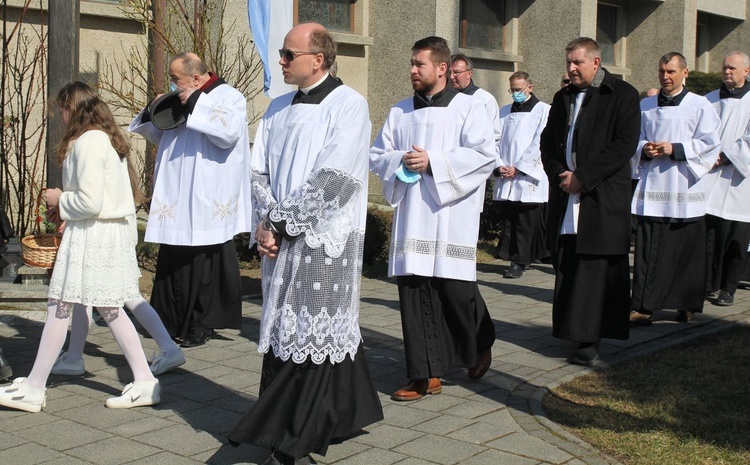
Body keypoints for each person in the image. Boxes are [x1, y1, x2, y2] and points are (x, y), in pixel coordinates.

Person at [227, 23, 383, 465]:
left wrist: (280, 222)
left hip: (323, 241)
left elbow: (336, 179)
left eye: (288, 54)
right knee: (282, 336)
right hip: (281, 238)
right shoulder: (276, 108)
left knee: (311, 336)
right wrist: (267, 221)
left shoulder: (349, 105)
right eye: (281, 53)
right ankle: (301, 429)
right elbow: (257, 171)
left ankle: (289, 441)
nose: (281, 60)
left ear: (319, 58)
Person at [0, 81, 160, 412]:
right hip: (98, 233)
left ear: (71, 108)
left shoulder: (89, 142)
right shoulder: (99, 139)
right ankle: (142, 380)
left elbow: (89, 201)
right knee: (97, 306)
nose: (59, 115)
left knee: (70, 304)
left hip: (95, 235)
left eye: (61, 109)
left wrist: (59, 198)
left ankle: (35, 386)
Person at [370, 36, 497, 401]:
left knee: (455, 292)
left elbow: (484, 155)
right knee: (414, 293)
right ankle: (424, 375)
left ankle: (479, 341)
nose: (412, 70)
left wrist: (434, 163)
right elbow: (378, 154)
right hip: (414, 216)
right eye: (411, 64)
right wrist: (400, 162)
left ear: (442, 68)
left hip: (450, 213)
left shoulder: (467, 108)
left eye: (419, 64)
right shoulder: (399, 111)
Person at [129, 52, 252, 347]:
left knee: (206, 258)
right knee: (173, 255)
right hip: (177, 189)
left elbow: (228, 133)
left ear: (196, 78)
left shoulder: (229, 97)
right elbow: (160, 133)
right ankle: (169, 318)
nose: (173, 85)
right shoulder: (181, 97)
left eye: (176, 80)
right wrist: (154, 108)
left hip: (209, 193)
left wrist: (196, 102)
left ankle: (202, 322)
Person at [540, 37, 641, 366]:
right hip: (567, 192)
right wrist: (561, 175)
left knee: (595, 270)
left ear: (596, 63)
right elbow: (548, 143)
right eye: (568, 62)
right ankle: (572, 331)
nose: (570, 68)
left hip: (600, 197)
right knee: (569, 264)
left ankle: (591, 341)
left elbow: (624, 145)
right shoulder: (563, 96)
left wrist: (584, 177)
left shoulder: (621, 95)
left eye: (577, 63)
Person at [630, 52, 720, 325]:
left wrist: (676, 148)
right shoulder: (645, 105)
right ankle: (644, 306)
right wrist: (643, 149)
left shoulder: (700, 105)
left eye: (671, 71)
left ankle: (686, 305)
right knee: (648, 249)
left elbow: (711, 143)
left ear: (685, 73)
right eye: (661, 71)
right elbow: (633, 138)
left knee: (685, 251)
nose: (665, 77)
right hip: (653, 186)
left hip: (684, 188)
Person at [492, 71, 550, 279]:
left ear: (530, 87)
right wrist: (499, 166)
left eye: (519, 89)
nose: (515, 93)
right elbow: (494, 141)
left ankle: (520, 260)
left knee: (526, 220)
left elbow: (540, 143)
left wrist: (520, 167)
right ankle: (510, 254)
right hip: (506, 173)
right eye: (512, 90)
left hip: (527, 175)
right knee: (510, 217)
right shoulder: (504, 111)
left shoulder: (544, 111)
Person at [703, 51, 750, 307]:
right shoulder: (709, 100)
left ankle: (729, 288)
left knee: (736, 238)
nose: (727, 72)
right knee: (711, 236)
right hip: (711, 178)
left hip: (740, 181)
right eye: (724, 68)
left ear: (747, 71)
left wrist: (728, 156)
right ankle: (708, 283)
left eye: (732, 68)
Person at [450, 53, 502, 145]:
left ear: (469, 74)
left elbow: (494, 137)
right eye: (449, 72)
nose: (451, 76)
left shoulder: (485, 99)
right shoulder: (444, 99)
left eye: (456, 72)